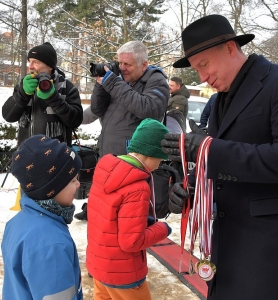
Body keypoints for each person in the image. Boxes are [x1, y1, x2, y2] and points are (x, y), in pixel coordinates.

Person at [161, 14, 278, 300]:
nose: (201, 77)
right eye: (196, 69)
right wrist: (192, 190)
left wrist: (208, 149)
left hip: (271, 253)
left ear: (230, 48)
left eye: (204, 65)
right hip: (226, 250)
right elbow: (222, 169)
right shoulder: (220, 98)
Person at [74, 40, 169, 220]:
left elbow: (148, 109)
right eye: (120, 63)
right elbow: (97, 109)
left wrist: (112, 82)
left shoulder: (156, 80)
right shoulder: (119, 80)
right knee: (105, 216)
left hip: (132, 162)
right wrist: (101, 83)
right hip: (108, 157)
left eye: (128, 64)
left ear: (144, 64)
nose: (122, 68)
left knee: (125, 218)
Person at [86, 118, 172, 300]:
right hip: (123, 273)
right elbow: (131, 242)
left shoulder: (106, 171)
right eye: (160, 159)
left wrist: (141, 221)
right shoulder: (138, 187)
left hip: (100, 266)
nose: (159, 165)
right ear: (149, 154)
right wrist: (162, 229)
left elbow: (107, 216)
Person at [1, 134, 83, 299]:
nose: (78, 184)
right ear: (51, 188)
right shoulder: (51, 245)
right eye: (73, 180)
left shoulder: (17, 223)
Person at [2, 42, 83, 147]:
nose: (30, 67)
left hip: (57, 156)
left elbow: (75, 121)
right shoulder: (24, 85)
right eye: (29, 62)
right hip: (26, 154)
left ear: (50, 66)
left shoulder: (67, 87)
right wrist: (23, 94)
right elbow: (8, 116)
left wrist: (53, 98)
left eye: (36, 62)